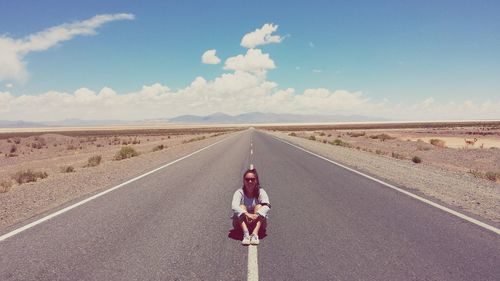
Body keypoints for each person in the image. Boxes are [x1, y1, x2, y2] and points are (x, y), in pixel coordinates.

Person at [231, 168, 271, 245]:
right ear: (244, 181)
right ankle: (246, 234)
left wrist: (256, 214)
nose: (250, 181)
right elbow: (234, 206)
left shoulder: (261, 192)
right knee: (241, 207)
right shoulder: (239, 192)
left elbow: (267, 205)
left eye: (252, 179)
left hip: (258, 224)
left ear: (256, 181)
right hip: (241, 225)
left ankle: (255, 234)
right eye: (247, 179)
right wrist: (247, 214)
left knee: (259, 206)